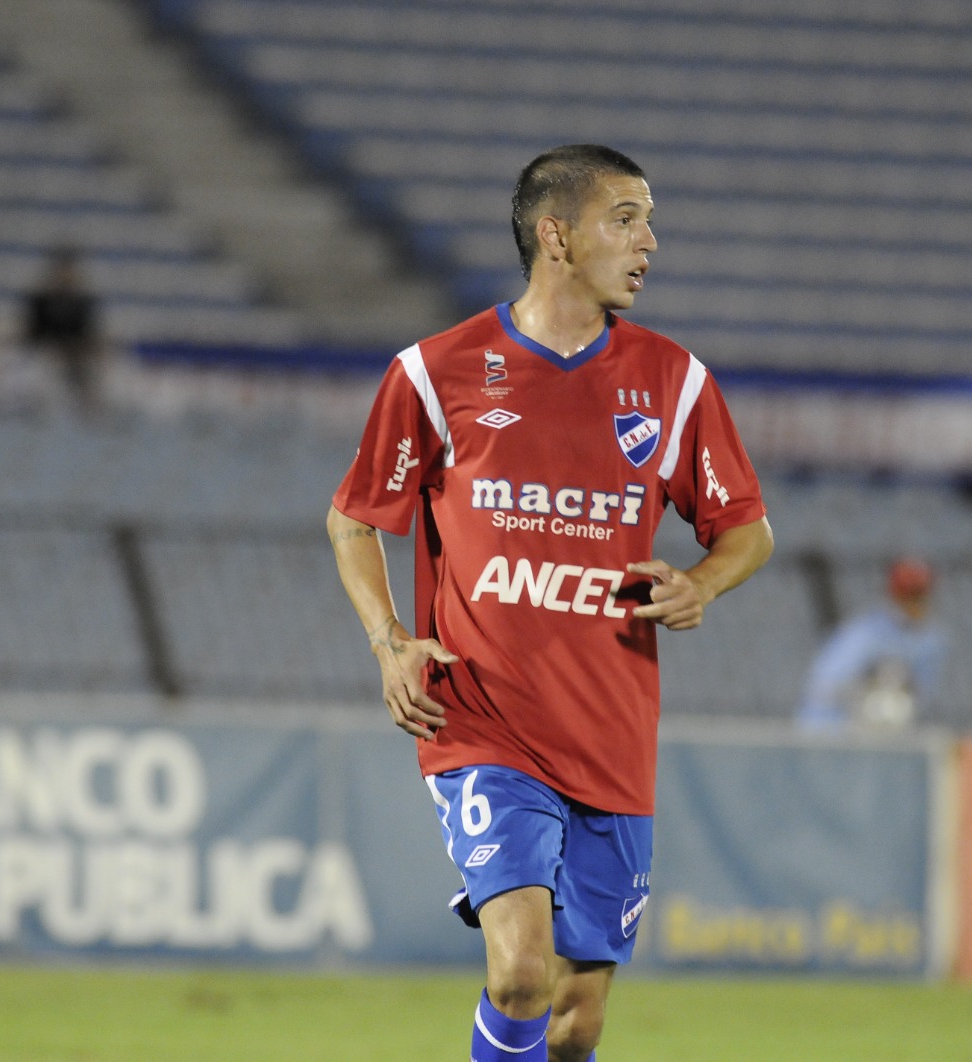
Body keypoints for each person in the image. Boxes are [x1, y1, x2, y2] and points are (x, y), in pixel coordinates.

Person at [326, 144, 773, 1062]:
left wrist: (703, 580)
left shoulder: (675, 382)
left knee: (574, 1022)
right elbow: (353, 517)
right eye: (627, 218)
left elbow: (749, 530)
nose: (649, 241)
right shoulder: (436, 373)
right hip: (486, 725)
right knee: (521, 970)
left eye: (650, 221)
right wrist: (390, 642)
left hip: (611, 733)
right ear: (555, 234)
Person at [797, 557, 947, 730]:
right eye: (907, 594)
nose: (913, 603)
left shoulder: (931, 642)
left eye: (918, 594)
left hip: (882, 738)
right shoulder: (863, 635)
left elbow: (919, 696)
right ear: (893, 594)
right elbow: (823, 688)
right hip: (832, 731)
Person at [23, 246, 101, 410]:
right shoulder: (41, 300)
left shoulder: (82, 302)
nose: (65, 276)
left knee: (90, 368)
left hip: (75, 356)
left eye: (68, 271)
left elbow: (88, 335)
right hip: (46, 353)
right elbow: (31, 334)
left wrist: (80, 351)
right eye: (61, 271)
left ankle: (90, 408)